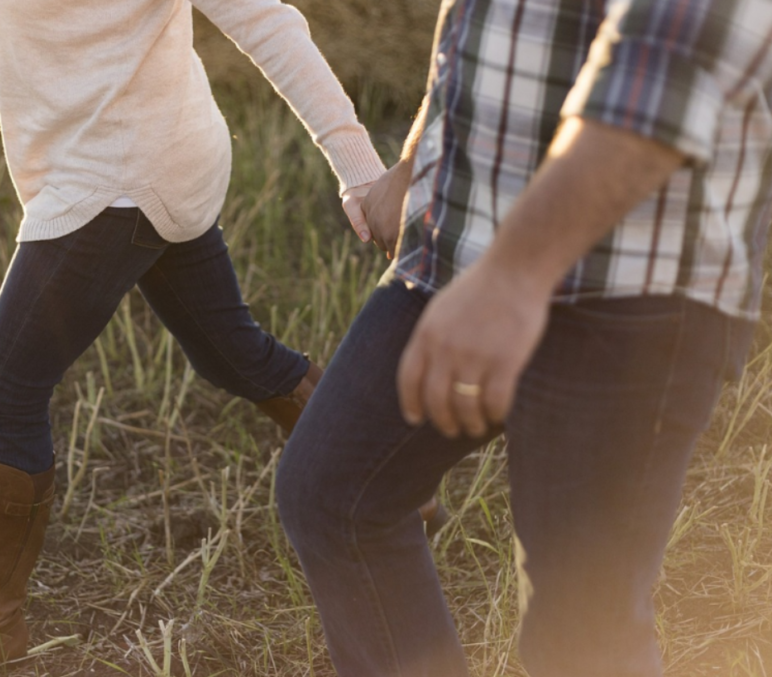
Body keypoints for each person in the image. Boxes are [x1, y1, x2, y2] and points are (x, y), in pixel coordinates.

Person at [0, 1, 397, 675]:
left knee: (2, 385)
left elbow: (266, 20)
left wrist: (362, 172)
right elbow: (14, 19)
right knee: (230, 352)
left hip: (117, 176)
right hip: (153, 155)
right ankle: (381, 473)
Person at [276, 1, 772, 676]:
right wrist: (419, 154)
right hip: (461, 244)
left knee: (580, 629)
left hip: (631, 281)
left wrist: (513, 276)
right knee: (334, 493)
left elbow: (665, 75)